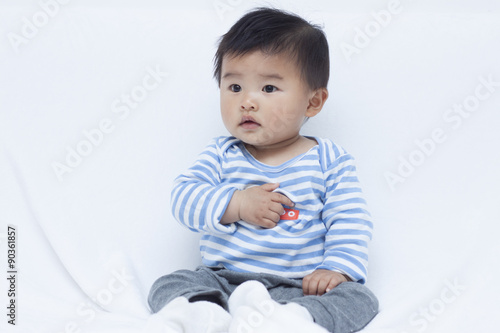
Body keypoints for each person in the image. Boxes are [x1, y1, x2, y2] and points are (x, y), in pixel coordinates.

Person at [148, 7, 378, 333]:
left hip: (299, 286)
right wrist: (237, 203)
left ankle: (294, 320)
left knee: (358, 297)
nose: (247, 102)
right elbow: (184, 198)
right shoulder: (221, 154)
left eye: (268, 89)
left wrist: (335, 269)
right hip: (223, 280)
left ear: (313, 102)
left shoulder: (330, 160)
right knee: (170, 283)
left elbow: (350, 219)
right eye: (235, 87)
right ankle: (203, 314)